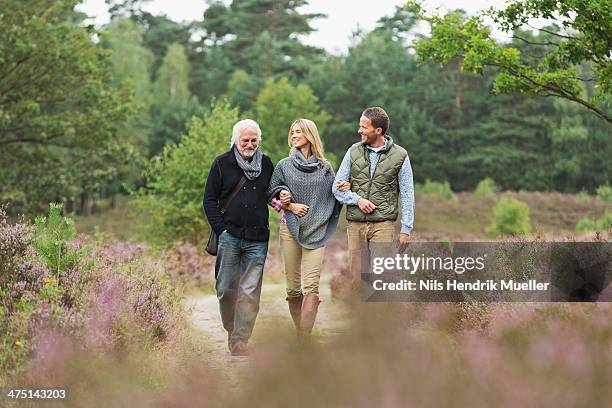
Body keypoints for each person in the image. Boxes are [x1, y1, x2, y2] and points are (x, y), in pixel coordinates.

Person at [203, 119, 274, 356]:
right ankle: (232, 329)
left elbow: (272, 194)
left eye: (254, 140)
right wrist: (221, 229)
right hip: (229, 236)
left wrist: (283, 200)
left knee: (250, 292)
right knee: (225, 289)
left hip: (258, 238)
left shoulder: (267, 164)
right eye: (245, 140)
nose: (250, 144)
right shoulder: (221, 164)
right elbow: (209, 200)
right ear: (235, 140)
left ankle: (240, 341)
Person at [267, 118, 342, 341]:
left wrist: (345, 186)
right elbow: (270, 195)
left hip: (316, 232)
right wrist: (288, 203)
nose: (293, 135)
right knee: (292, 288)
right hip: (289, 229)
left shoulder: (325, 168)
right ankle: (300, 331)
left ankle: (303, 337)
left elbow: (335, 196)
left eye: (298, 131)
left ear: (309, 135)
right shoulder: (283, 166)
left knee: (312, 286)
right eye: (292, 132)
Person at [332, 107, 415, 293]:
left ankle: (380, 321)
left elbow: (408, 193)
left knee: (381, 277)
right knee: (357, 279)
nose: (359, 130)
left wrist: (406, 229)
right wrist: (357, 200)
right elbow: (336, 188)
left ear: (378, 130)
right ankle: (361, 322)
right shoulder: (353, 151)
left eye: (364, 127)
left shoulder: (400, 155)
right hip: (355, 225)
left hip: (383, 224)